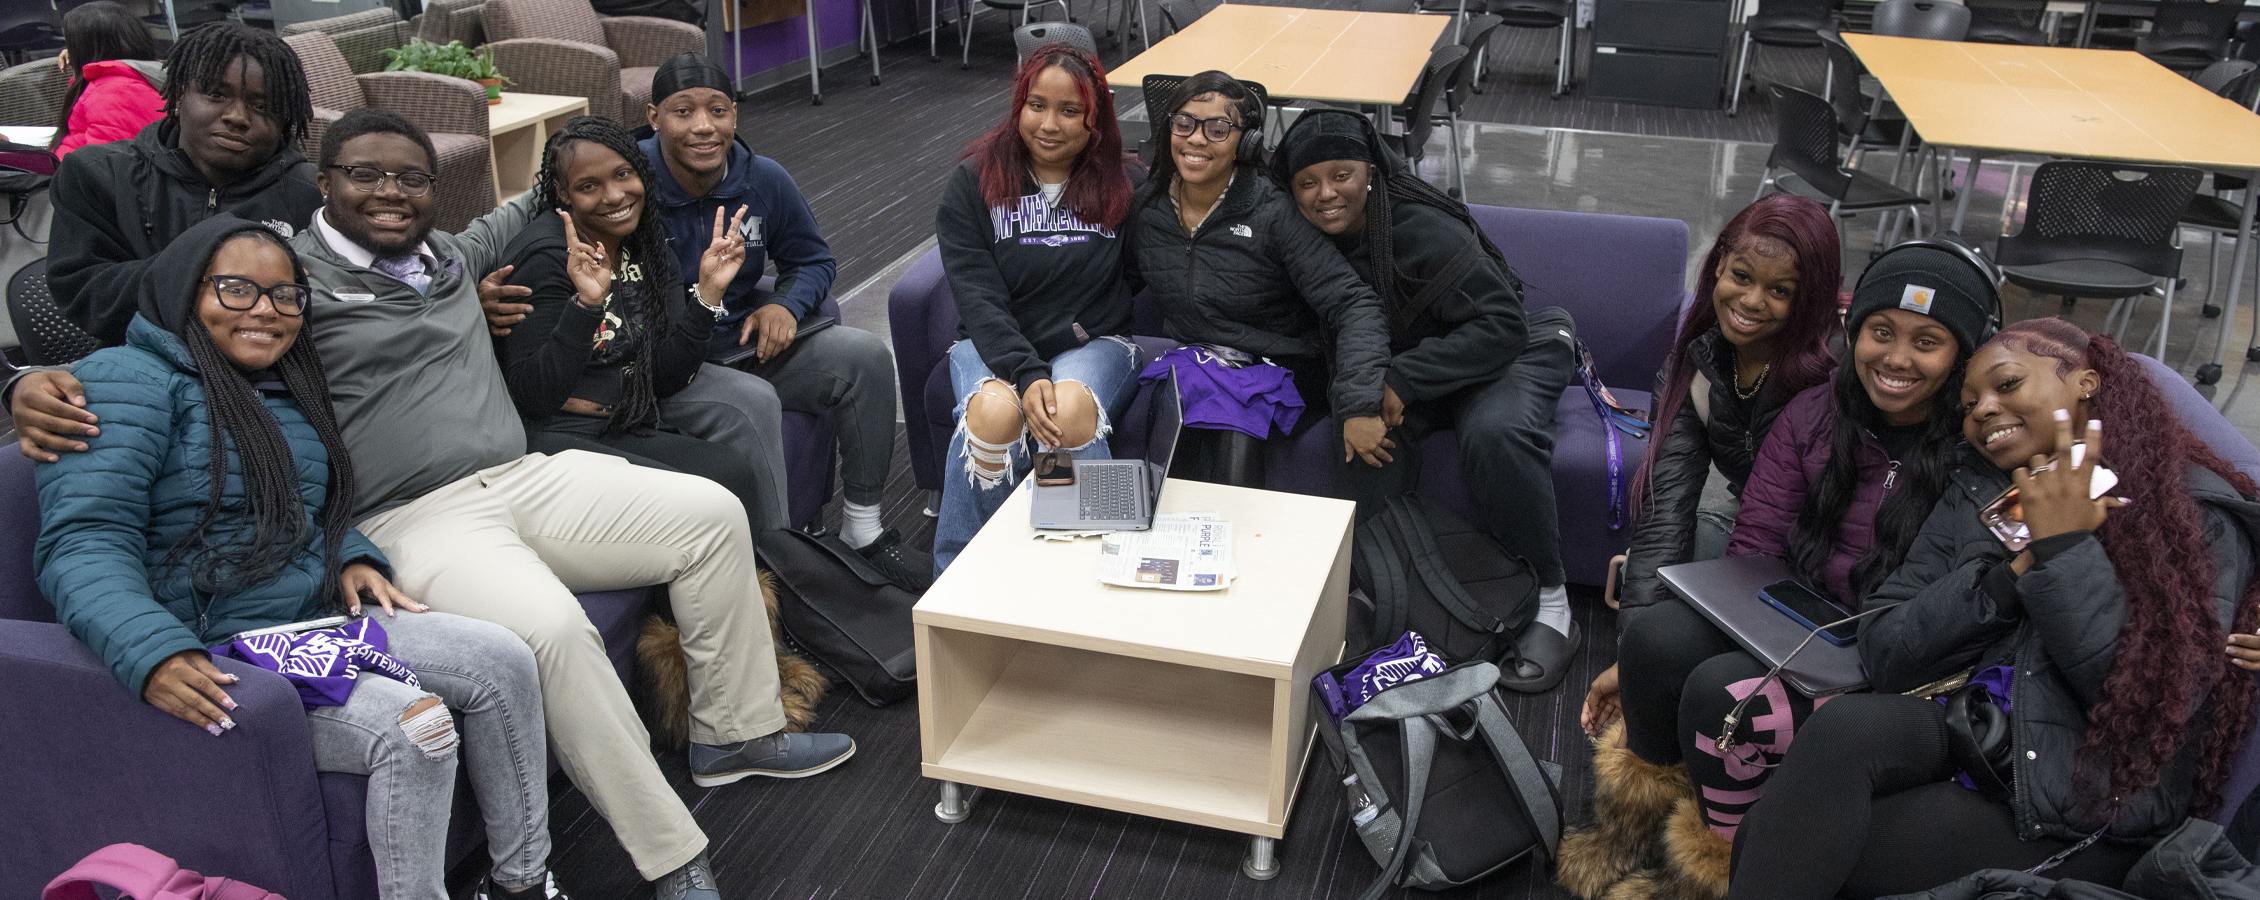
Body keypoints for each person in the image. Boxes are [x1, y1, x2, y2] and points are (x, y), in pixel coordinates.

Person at [13, 109, 853, 900]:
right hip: (418, 515)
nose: (389, 192)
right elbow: (182, 336)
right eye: (363, 175)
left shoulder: (451, 256)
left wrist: (658, 150)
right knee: (550, 630)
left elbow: (553, 185)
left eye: (410, 178)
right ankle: (674, 854)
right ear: (324, 184)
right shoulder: (294, 281)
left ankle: (733, 732)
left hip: (524, 471)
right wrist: (28, 384)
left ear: (434, 191)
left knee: (709, 512)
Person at [35, 216, 562, 900]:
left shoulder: (284, 385)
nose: (266, 311)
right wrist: (156, 651)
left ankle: (521, 882)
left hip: (306, 625)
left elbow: (305, 505)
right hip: (214, 649)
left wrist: (350, 553)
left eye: (286, 296)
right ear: (183, 290)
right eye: (236, 290)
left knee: (503, 658)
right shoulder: (123, 380)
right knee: (417, 722)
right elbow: (83, 542)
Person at [1725, 318, 2260, 899]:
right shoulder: (1980, 489)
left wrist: (2064, 549)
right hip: (1985, 726)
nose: (1982, 410)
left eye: (2006, 385)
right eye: (1970, 402)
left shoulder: (2190, 512)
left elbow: (2153, 704)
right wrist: (2010, 576)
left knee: (1827, 859)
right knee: (1837, 740)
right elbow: (1885, 647)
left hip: (2094, 796)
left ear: (2085, 382)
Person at [1562, 242, 1995, 900]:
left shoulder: (1976, 451)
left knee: (1718, 690)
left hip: (1901, 659)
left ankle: (1717, 866)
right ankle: (1634, 824)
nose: (1898, 358)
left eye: (1928, 341)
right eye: (1882, 332)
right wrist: (1747, 629)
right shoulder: (1816, 413)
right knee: (1655, 638)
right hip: (1798, 609)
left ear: (1962, 356)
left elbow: (1952, 608)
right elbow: (1756, 543)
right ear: (1855, 332)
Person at [1270, 108, 1581, 692]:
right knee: (1362, 443)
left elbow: (1502, 326)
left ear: (1369, 171)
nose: (1325, 194)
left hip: (1505, 348)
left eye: (1341, 175)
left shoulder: (1418, 225)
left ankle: (1551, 596)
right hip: (1421, 366)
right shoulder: (1306, 237)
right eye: (1307, 183)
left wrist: (1401, 381)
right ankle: (1384, 595)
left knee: (1495, 435)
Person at [633, 53, 908, 565]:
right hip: (669, 367)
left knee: (866, 358)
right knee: (753, 403)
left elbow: (812, 258)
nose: (703, 127)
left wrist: (785, 303)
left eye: (717, 111)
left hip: (741, 343)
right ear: (653, 118)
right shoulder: (627, 183)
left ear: (734, 115)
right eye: (682, 112)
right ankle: (788, 568)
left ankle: (863, 534)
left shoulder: (764, 178)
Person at [494, 115, 768, 529]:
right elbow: (535, 396)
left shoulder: (645, 243)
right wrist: (586, 306)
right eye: (589, 186)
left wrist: (708, 293)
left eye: (623, 174)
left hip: (625, 419)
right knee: (712, 493)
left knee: (729, 472)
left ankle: (776, 576)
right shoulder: (546, 257)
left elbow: (664, 375)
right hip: (558, 436)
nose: (614, 195)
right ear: (563, 194)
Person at [931, 43, 1143, 575]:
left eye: (1070, 111)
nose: (1050, 124)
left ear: (1095, 119)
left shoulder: (1125, 183)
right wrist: (1026, 370)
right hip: (994, 341)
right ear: (1018, 105)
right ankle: (959, 580)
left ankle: (1085, 572)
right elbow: (978, 297)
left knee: (1065, 410)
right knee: (994, 413)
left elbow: (1147, 270)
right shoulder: (973, 184)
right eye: (1037, 105)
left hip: (1093, 342)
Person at [1123, 70, 1390, 487]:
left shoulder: (1273, 213)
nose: (1196, 139)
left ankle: (1229, 539)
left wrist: (1359, 402)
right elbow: (1116, 285)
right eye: (1184, 124)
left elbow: (1355, 304)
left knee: (1229, 412)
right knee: (1182, 396)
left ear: (1245, 143)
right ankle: (1171, 537)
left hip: (1282, 364)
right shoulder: (1150, 209)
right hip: (1197, 360)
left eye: (1217, 128)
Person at [46, 21, 320, 346]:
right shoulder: (97, 174)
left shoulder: (312, 192)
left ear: (285, 119)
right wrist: (204, 270)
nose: (237, 116)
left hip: (272, 373)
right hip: (139, 360)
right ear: (178, 95)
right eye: (216, 94)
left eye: (261, 106)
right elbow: (85, 297)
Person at [49, 1, 165, 158]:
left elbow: (101, 171)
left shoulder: (113, 94)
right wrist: (83, 69)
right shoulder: (129, 78)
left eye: (72, 44)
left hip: (68, 177)